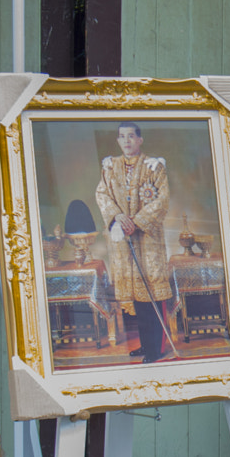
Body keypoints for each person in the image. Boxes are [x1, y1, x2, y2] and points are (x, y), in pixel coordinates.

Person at [95, 122, 177, 364]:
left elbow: (162, 200)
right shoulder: (110, 168)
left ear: (140, 140)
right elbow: (102, 195)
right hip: (124, 242)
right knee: (137, 298)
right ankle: (145, 344)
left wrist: (137, 221)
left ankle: (157, 348)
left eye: (131, 136)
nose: (127, 141)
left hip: (148, 242)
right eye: (122, 137)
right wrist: (117, 217)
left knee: (152, 294)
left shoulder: (154, 167)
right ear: (118, 141)